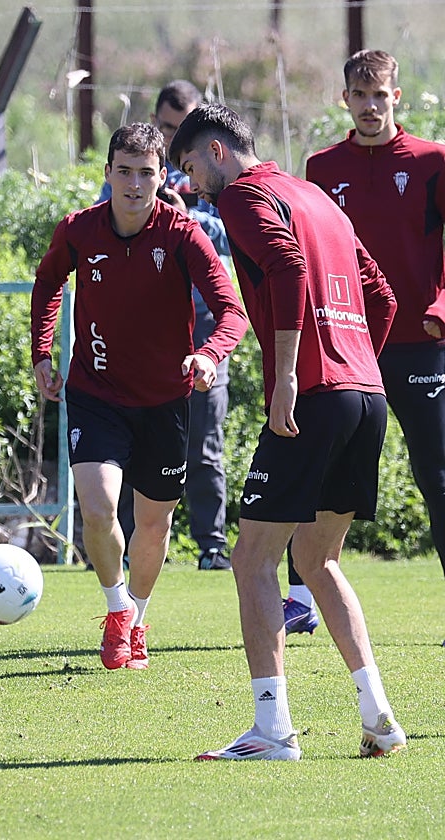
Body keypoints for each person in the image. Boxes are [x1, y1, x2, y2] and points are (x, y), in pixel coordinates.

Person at [169, 103, 406, 760]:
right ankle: (378, 715)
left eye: (189, 166)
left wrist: (289, 376)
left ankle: (273, 731)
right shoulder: (316, 197)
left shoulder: (245, 196)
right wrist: (356, 364)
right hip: (365, 395)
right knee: (318, 559)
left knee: (252, 561)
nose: (189, 183)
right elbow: (380, 295)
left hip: (314, 396)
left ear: (217, 151)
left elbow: (288, 269)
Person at [32, 123, 247, 672]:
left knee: (153, 525)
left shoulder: (182, 232)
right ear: (107, 174)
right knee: (100, 506)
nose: (134, 184)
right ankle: (114, 610)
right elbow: (48, 282)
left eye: (146, 173)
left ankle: (139, 616)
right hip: (95, 392)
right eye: (123, 172)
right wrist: (42, 354)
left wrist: (209, 354)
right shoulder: (80, 230)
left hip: (164, 402)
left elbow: (231, 310)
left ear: (161, 177)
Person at [303, 49, 445, 642]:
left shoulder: (434, 161)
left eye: (379, 96)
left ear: (396, 99)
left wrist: (441, 306)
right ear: (345, 99)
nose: (369, 106)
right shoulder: (319, 167)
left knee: (437, 473)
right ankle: (296, 599)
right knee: (316, 467)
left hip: (419, 342)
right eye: (359, 96)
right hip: (347, 344)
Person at [97, 80, 235, 572]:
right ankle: (133, 545)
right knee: (131, 448)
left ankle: (211, 545)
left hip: (199, 330)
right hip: (136, 340)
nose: (178, 139)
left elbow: (232, 232)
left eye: (186, 128)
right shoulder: (134, 171)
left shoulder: (213, 174)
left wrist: (188, 219)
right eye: (169, 127)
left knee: (203, 444)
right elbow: (104, 218)